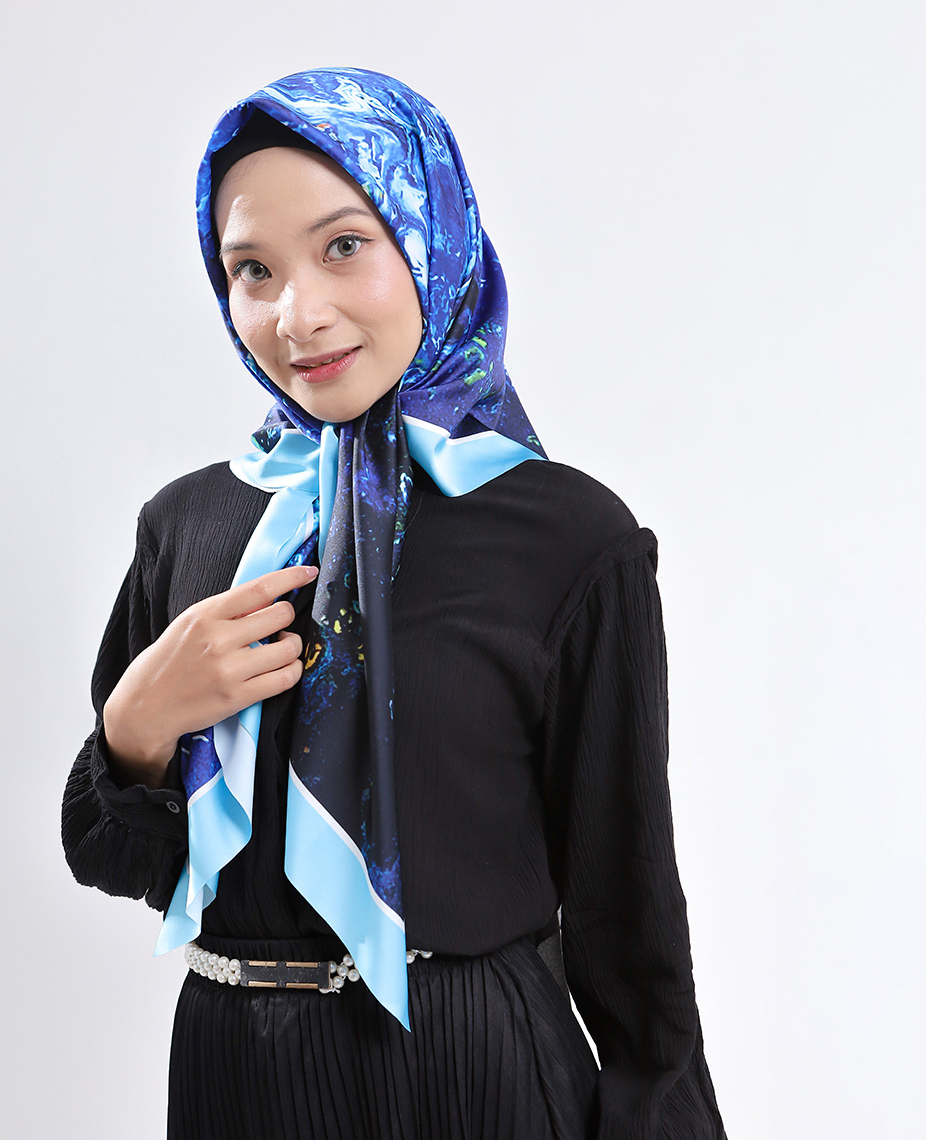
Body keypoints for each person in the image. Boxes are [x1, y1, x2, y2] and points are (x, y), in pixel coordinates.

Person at [62, 67, 726, 1139]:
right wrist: (136, 725)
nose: (298, 314)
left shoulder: (568, 536)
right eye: (252, 269)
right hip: (233, 1067)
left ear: (432, 237)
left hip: (473, 1065)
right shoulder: (190, 525)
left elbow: (626, 901)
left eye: (343, 246)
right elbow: (115, 859)